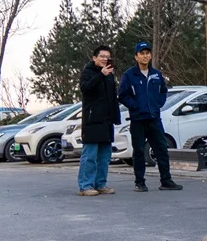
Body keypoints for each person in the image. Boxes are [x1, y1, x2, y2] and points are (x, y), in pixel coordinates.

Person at [117, 41, 182, 192]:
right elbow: (122, 95)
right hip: (138, 119)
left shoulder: (156, 74)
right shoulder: (129, 75)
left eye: (147, 53)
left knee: (161, 149)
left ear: (150, 55)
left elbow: (163, 92)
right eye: (142, 53)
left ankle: (166, 181)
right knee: (139, 151)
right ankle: (140, 182)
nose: (145, 56)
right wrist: (135, 106)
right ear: (136, 56)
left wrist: (157, 104)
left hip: (154, 118)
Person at [78, 45, 120, 196]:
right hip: (92, 120)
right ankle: (85, 186)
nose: (104, 59)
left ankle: (101, 184)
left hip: (107, 121)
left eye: (107, 56)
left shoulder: (110, 75)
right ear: (94, 58)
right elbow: (86, 88)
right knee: (90, 155)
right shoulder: (87, 72)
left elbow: (112, 97)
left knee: (104, 156)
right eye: (101, 56)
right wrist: (101, 74)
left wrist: (116, 117)